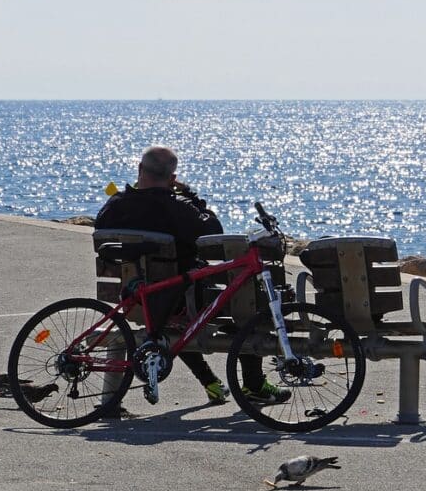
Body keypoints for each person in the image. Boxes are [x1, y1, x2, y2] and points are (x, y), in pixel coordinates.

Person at [94, 146, 291, 407]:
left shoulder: (114, 206)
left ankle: (210, 382)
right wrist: (193, 197)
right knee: (245, 297)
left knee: (175, 318)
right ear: (172, 178)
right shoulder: (179, 210)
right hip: (182, 301)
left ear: (140, 170)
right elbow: (213, 233)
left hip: (135, 298)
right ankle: (254, 385)